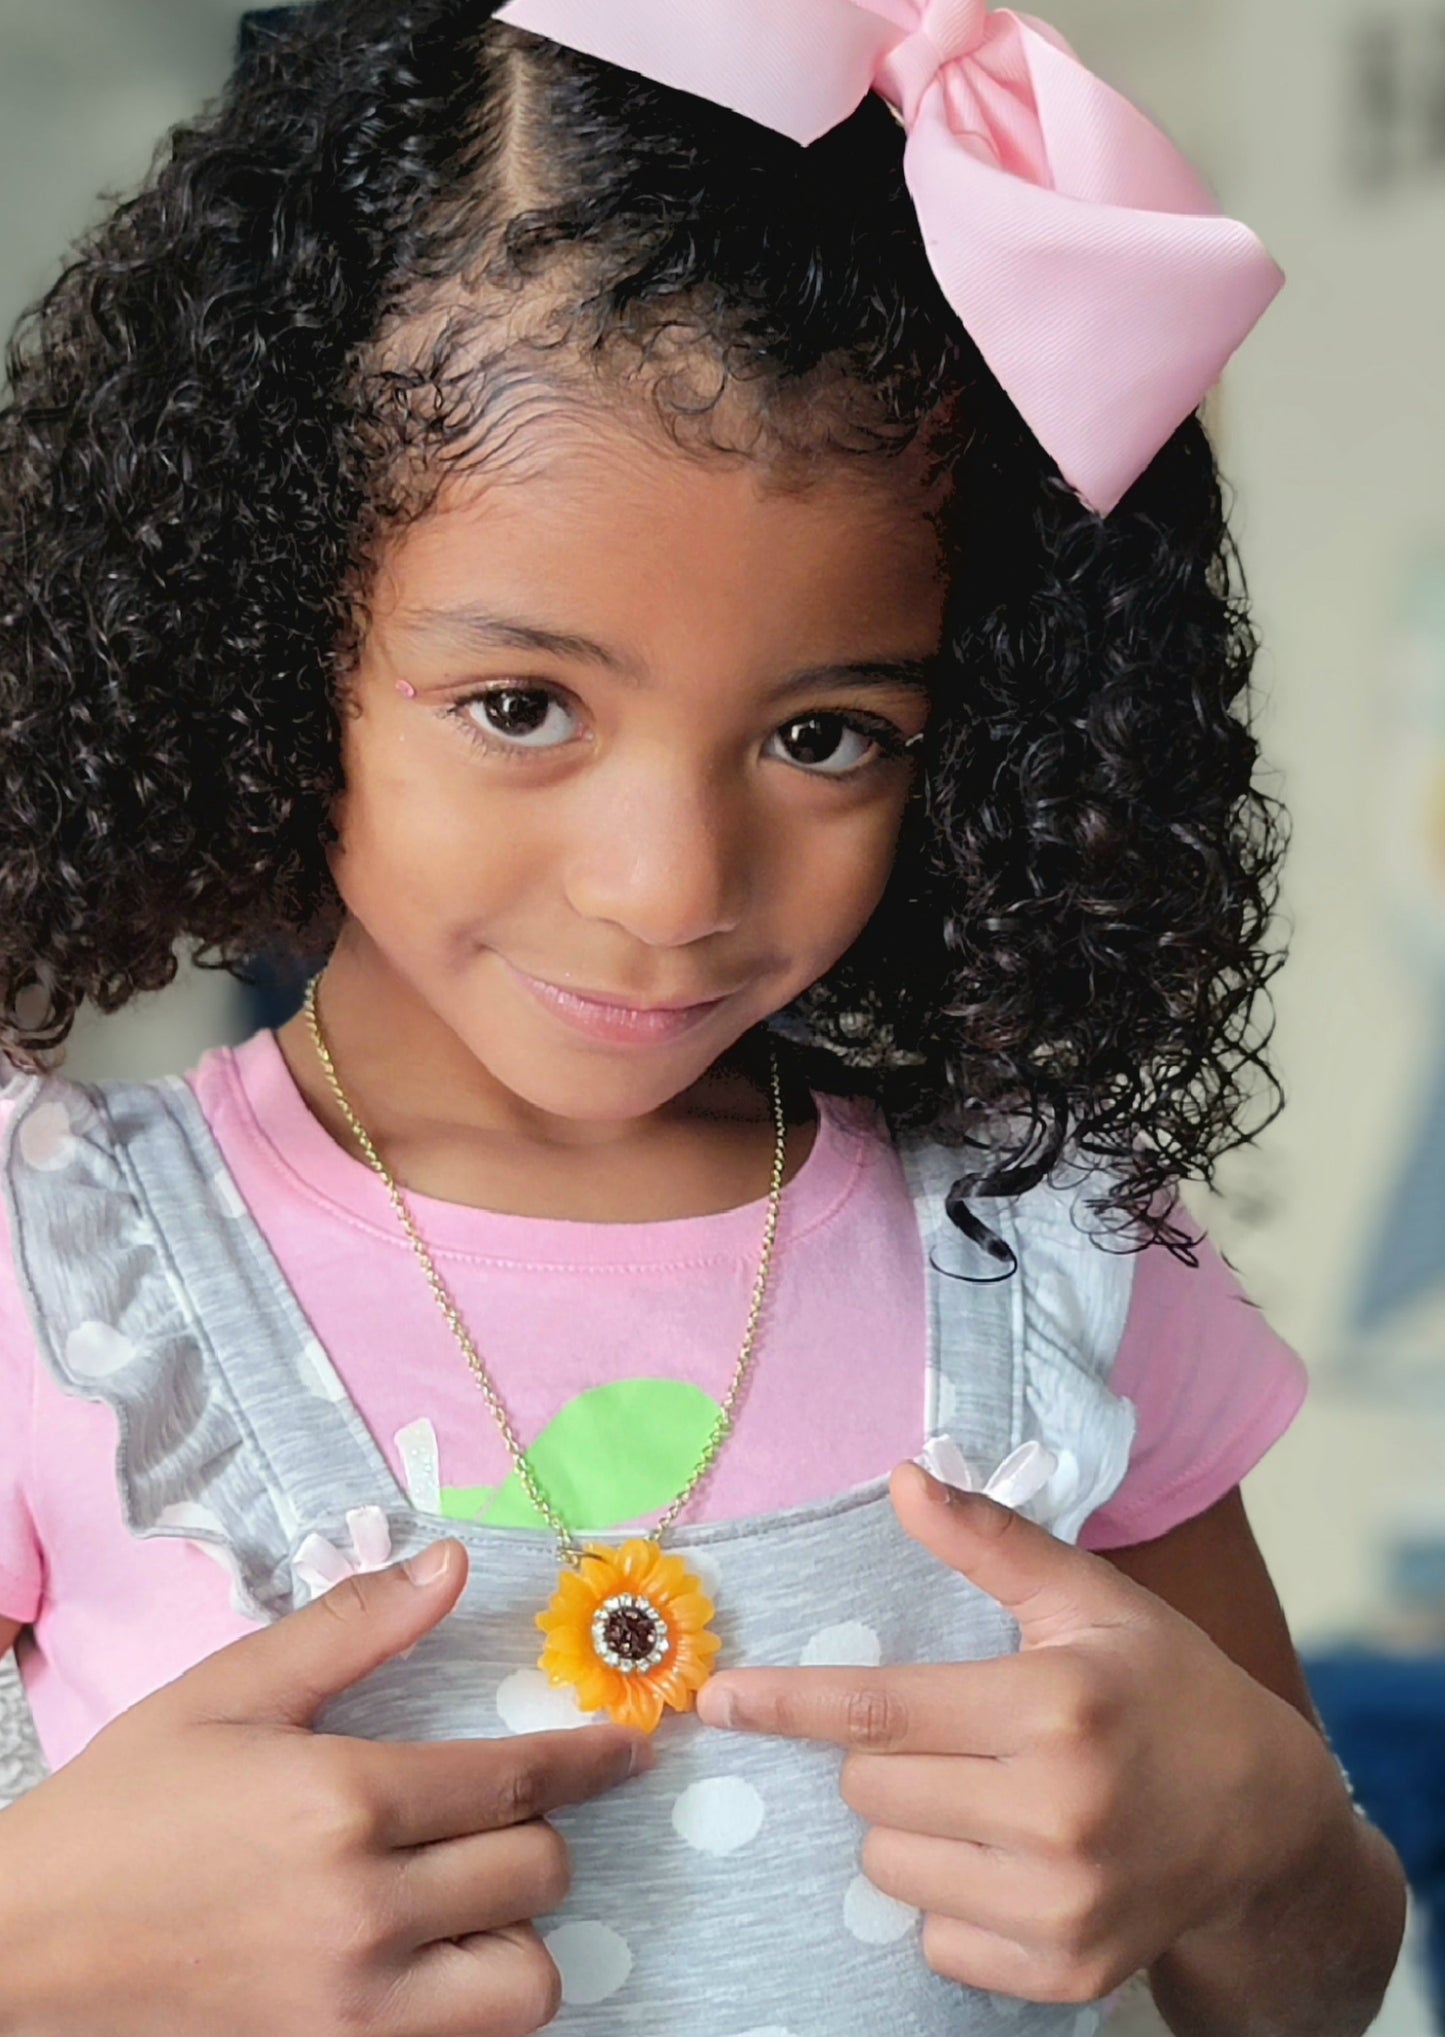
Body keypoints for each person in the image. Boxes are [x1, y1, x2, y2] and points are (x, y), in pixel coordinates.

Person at [0, 2, 1408, 2033]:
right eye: (521, 707)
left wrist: (1266, 1835)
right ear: (262, 627)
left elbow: (1307, 1982)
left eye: (827, 733)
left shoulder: (1054, 1246)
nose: (670, 880)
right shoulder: (57, 1281)